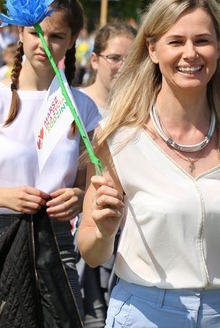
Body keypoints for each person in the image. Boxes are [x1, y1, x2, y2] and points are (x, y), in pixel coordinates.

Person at [77, 0, 220, 327]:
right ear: (152, 49)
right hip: (145, 313)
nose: (190, 53)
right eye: (176, 41)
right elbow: (91, 252)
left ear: (219, 47)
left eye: (202, 40)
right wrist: (104, 232)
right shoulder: (117, 134)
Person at [0, 0, 100, 326]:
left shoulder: (83, 108)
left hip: (57, 242)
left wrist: (79, 196)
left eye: (57, 36)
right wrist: (6, 197)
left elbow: (93, 184)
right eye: (36, 33)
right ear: (20, 32)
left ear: (73, 39)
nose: (44, 44)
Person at [77, 21, 136, 327]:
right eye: (115, 58)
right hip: (83, 233)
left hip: (130, 236)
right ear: (95, 59)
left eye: (131, 58)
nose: (123, 66)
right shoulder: (74, 105)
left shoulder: (143, 111)